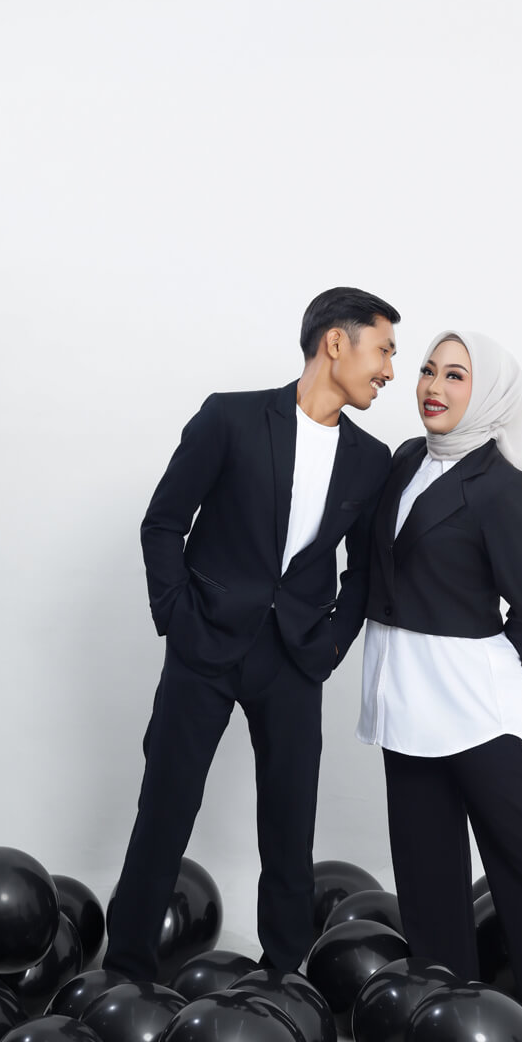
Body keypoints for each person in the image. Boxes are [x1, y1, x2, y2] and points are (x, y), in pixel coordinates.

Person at [104, 286, 400, 982]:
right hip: (204, 645)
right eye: (384, 349)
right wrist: (177, 617)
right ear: (336, 342)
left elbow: (363, 570)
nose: (390, 370)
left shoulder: (371, 459)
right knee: (165, 810)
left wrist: (330, 645)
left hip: (294, 657)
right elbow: (163, 523)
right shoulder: (230, 418)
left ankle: (284, 978)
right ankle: (124, 973)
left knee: (290, 826)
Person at [357, 329, 522, 1042]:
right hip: (402, 694)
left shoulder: (503, 487)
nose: (432, 387)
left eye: (455, 375)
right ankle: (448, 1007)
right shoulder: (405, 461)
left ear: (489, 395)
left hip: (472, 699)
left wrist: (497, 662)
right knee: (425, 862)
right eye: (427, 371)